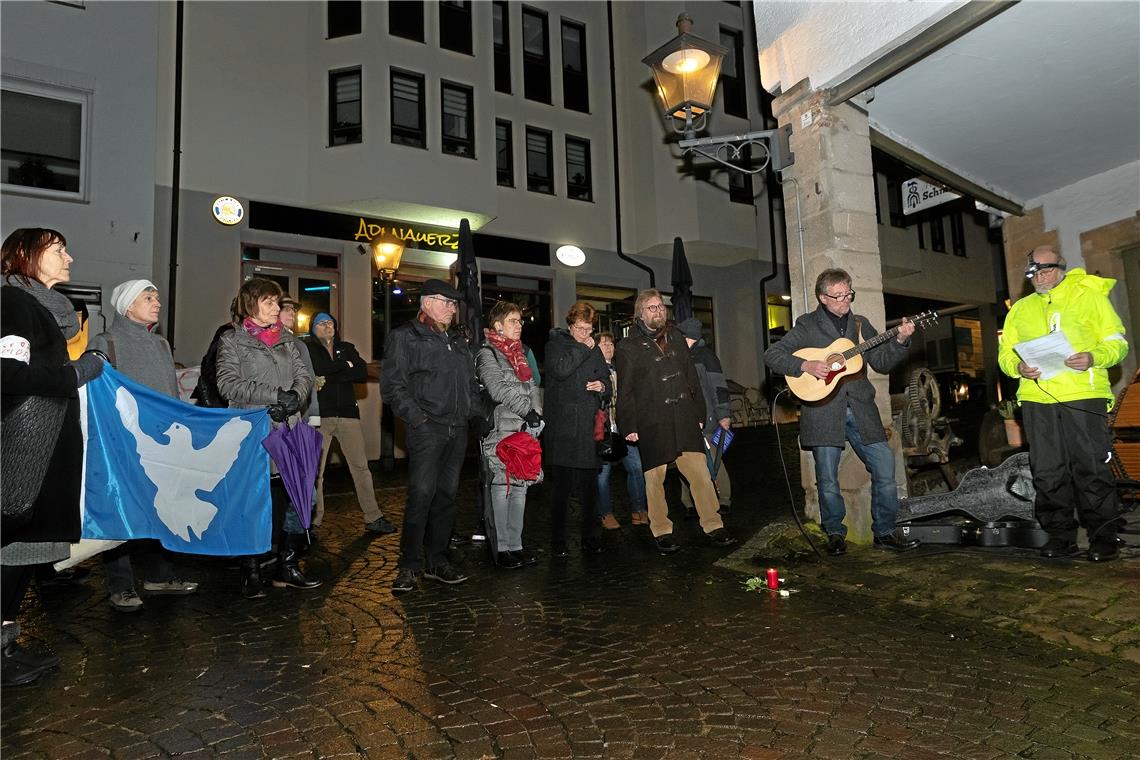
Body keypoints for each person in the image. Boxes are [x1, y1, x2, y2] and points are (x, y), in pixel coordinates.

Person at [1, 228, 105, 685]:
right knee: (10, 547)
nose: (70, 256)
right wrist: (80, 370)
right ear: (26, 255)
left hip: (43, 445)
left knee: (24, 551)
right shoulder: (13, 302)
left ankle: (5, 643)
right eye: (58, 249)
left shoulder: (45, 309)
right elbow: (12, 375)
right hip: (23, 450)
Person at [764, 269, 919, 555]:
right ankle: (835, 532)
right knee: (827, 478)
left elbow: (882, 363)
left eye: (848, 294)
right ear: (823, 298)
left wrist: (899, 342)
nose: (845, 301)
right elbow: (772, 355)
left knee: (885, 468)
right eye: (838, 296)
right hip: (823, 411)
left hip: (862, 410)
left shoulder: (861, 324)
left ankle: (884, 531)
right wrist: (805, 366)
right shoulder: (807, 325)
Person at [999, 245, 1128, 562]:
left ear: (1061, 267)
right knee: (1046, 471)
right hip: (1036, 398)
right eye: (1032, 271)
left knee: (1091, 466)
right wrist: (1017, 367)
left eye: (1045, 268)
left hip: (1082, 395)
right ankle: (1060, 536)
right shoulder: (1019, 309)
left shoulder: (1089, 296)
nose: (1038, 276)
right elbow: (1005, 354)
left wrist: (1094, 357)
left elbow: (1117, 341)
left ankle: (1104, 537)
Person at [89, 280, 199, 612]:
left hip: (161, 444)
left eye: (156, 296)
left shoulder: (161, 345)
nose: (157, 302)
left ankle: (159, 575)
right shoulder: (104, 342)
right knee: (121, 511)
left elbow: (170, 393)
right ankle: (120, 585)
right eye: (147, 297)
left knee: (160, 507)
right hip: (123, 442)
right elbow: (96, 396)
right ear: (126, 305)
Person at [216, 278, 318, 597]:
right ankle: (251, 570)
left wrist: (294, 397)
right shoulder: (232, 340)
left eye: (277, 302)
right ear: (252, 303)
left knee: (301, 498)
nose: (278, 308)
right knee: (254, 501)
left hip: (289, 428)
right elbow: (228, 383)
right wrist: (273, 396)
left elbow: (304, 375)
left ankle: (287, 565)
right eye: (271, 302)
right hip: (254, 430)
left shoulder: (287, 339)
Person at [614, 290, 735, 553]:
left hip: (684, 418)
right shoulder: (628, 347)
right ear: (640, 313)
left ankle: (714, 524)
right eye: (651, 308)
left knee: (700, 474)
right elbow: (625, 390)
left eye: (660, 307)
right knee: (654, 480)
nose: (657, 311)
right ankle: (661, 529)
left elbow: (692, 378)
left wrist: (700, 414)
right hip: (651, 421)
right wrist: (628, 425)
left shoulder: (677, 337)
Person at [381, 279, 474, 594]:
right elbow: (393, 386)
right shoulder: (405, 336)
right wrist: (418, 420)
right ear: (427, 302)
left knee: (446, 497)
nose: (452, 308)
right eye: (447, 302)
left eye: (454, 303)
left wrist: (473, 413)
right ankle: (408, 565)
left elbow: (468, 385)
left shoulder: (456, 341)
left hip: (457, 428)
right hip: (428, 429)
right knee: (421, 495)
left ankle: (437, 561)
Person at [305, 312, 396, 536]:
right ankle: (313, 521)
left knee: (361, 468)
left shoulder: (347, 347)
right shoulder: (308, 349)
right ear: (313, 328)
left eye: (330, 322)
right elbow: (316, 369)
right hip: (321, 417)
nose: (328, 326)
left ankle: (373, 516)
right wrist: (343, 367)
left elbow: (361, 371)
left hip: (347, 415)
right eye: (322, 323)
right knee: (316, 471)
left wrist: (335, 369)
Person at [476, 301, 544, 568]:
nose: (519, 325)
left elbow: (532, 386)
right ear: (498, 326)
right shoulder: (487, 354)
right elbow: (497, 388)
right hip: (500, 430)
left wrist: (536, 417)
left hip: (524, 429)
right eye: (513, 321)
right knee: (501, 487)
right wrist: (529, 411)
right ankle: (501, 548)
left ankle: (516, 546)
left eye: (520, 321)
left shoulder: (520, 353)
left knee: (520, 488)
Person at [544, 302, 611, 557]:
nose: (586, 333)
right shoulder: (556, 345)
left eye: (589, 329)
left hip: (589, 427)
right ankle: (558, 541)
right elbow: (561, 370)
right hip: (564, 429)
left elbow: (607, 380)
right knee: (561, 489)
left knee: (590, 489)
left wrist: (602, 386)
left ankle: (590, 537)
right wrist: (584, 347)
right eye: (581, 328)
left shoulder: (593, 349)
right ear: (570, 325)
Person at [676, 318, 733, 515]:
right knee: (686, 461)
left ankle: (724, 498)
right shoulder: (680, 356)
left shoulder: (706, 357)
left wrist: (723, 415)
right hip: (686, 419)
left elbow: (719, 387)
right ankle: (688, 502)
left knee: (715, 459)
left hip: (708, 419)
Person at [595, 331, 648, 528]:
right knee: (603, 475)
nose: (609, 347)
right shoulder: (593, 371)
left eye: (611, 343)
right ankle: (605, 513)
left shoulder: (622, 369)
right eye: (603, 344)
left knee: (636, 468)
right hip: (604, 431)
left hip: (624, 428)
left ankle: (639, 509)